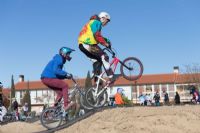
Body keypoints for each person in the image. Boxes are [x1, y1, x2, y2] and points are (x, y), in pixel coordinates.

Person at [78, 12, 114, 85]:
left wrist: (106, 40)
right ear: (103, 18)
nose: (106, 24)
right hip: (88, 44)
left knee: (97, 61)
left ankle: (96, 80)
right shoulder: (96, 22)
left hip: (82, 45)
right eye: (107, 21)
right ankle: (110, 75)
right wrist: (105, 43)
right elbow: (96, 35)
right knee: (104, 56)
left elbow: (96, 35)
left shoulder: (91, 23)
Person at [41, 47, 75, 111]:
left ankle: (54, 110)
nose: (69, 56)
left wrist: (66, 76)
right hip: (48, 78)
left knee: (60, 93)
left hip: (46, 78)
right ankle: (66, 105)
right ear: (63, 53)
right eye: (68, 54)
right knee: (65, 86)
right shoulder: (59, 59)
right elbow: (56, 70)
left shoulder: (58, 59)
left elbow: (57, 74)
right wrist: (66, 74)